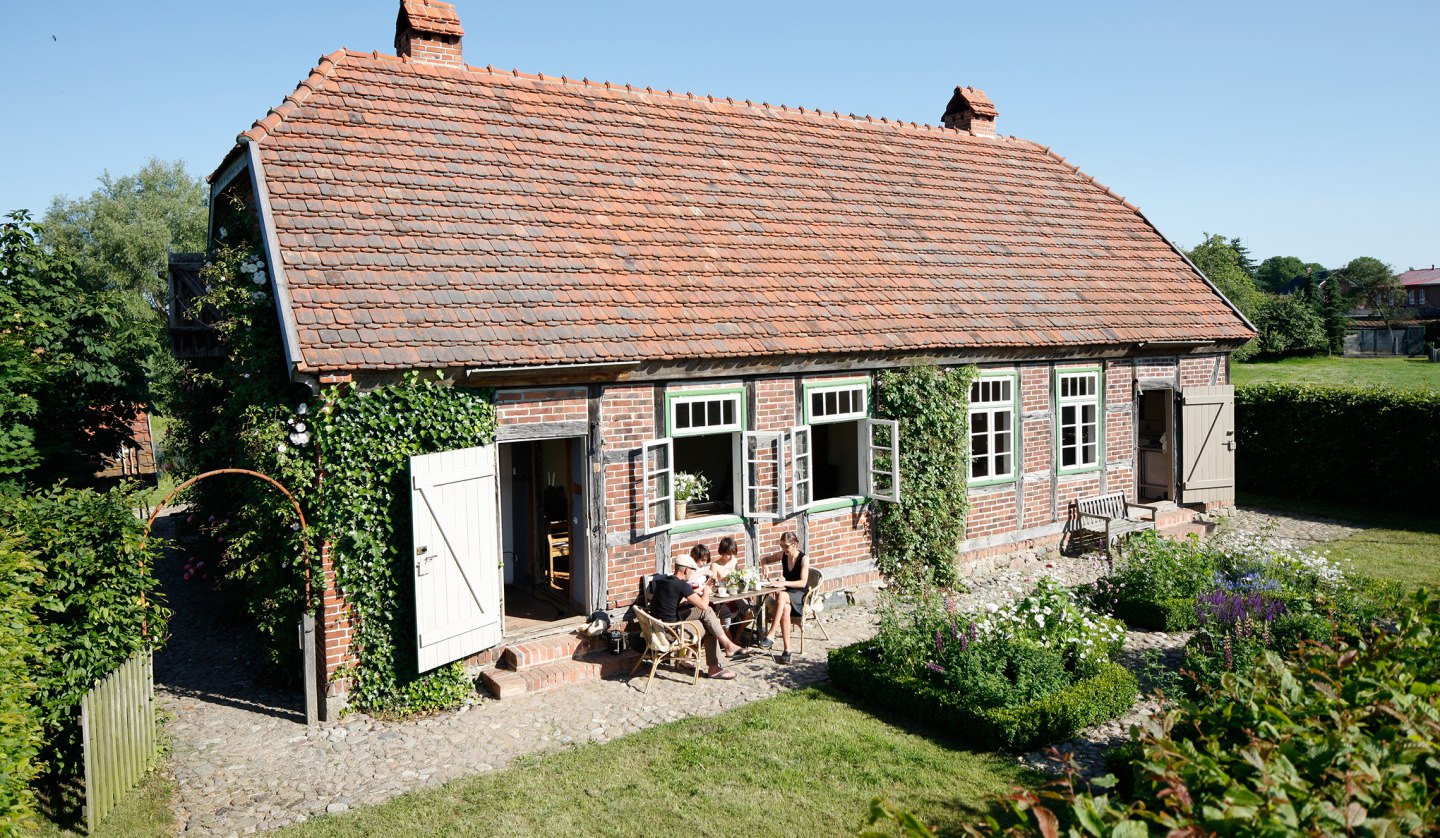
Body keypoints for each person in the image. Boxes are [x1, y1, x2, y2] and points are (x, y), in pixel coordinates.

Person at [649, 554, 748, 679]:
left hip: (658, 627)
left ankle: (725, 647)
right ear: (686, 570)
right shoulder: (682, 585)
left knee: (709, 618)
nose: (692, 573)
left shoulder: (665, 581)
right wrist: (706, 591)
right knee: (709, 623)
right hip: (671, 633)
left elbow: (673, 599)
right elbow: (703, 605)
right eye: (692, 571)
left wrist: (695, 592)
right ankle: (717, 663)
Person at [756, 531, 809, 664]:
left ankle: (771, 634)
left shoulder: (803, 558)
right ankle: (787, 650)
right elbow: (764, 559)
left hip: (799, 594)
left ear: (795, 544)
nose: (784, 549)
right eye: (781, 546)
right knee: (785, 608)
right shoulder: (783, 555)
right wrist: (764, 566)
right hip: (787, 595)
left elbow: (802, 582)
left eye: (786, 546)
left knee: (782, 595)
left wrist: (783, 583)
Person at [709, 537, 754, 645]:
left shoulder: (734, 561)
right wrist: (719, 580)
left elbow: (738, 578)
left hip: (734, 594)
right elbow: (711, 586)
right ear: (722, 552)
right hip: (721, 598)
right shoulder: (715, 565)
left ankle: (737, 635)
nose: (731, 557)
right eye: (728, 554)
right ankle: (730, 643)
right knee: (726, 618)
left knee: (750, 612)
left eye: (733, 554)